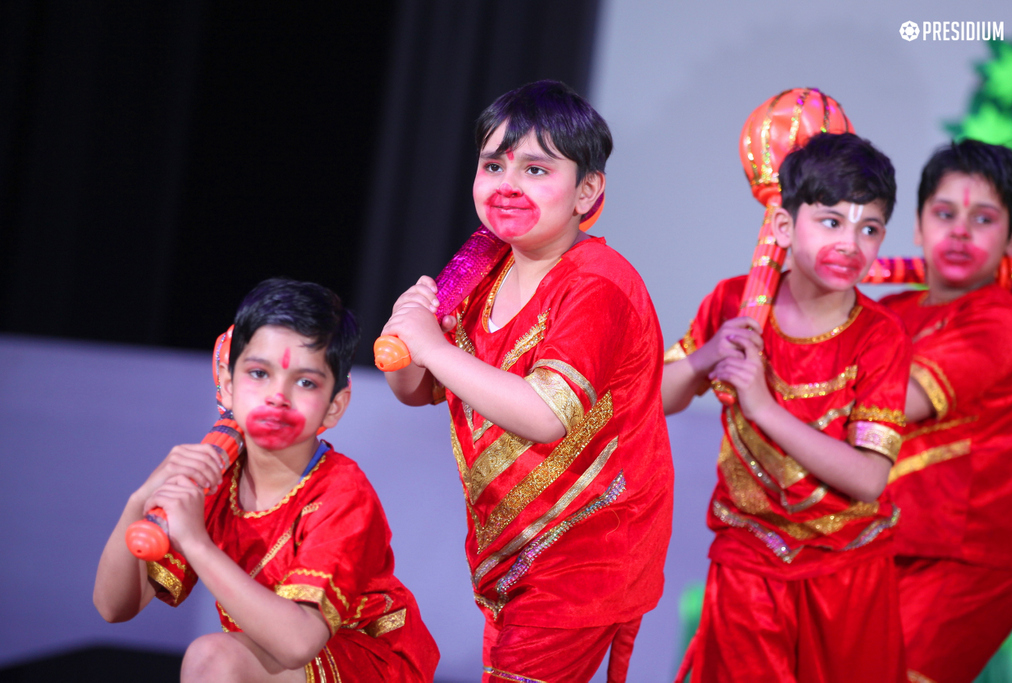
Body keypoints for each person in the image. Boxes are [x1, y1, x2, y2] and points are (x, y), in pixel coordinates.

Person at [381, 80, 673, 683]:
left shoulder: (598, 284)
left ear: (587, 191)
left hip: (586, 557)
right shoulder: (481, 271)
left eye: (536, 169)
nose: (508, 185)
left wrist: (431, 345)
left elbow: (544, 414)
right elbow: (415, 390)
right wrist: (409, 331)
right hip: (512, 556)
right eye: (494, 165)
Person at [94, 278, 439, 682]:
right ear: (228, 385)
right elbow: (114, 608)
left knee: (213, 657)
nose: (278, 396)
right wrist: (140, 501)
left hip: (367, 660)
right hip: (283, 658)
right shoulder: (217, 478)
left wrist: (195, 542)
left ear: (334, 406)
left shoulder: (343, 492)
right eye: (259, 373)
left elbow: (298, 643)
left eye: (306, 382)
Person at [663, 132, 910, 682]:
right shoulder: (734, 303)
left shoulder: (880, 336)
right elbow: (655, 399)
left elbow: (869, 478)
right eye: (831, 222)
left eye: (869, 229)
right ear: (781, 226)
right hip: (748, 560)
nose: (851, 244)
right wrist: (706, 355)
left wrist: (763, 408)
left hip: (848, 568)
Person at [882, 140, 1012, 683]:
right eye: (945, 214)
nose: (960, 232)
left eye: (983, 219)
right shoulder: (888, 312)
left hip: (962, 563)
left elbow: (902, 402)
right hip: (877, 543)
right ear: (918, 226)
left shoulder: (1002, 318)